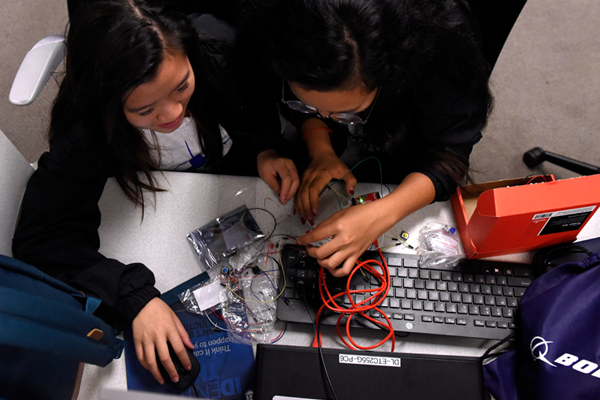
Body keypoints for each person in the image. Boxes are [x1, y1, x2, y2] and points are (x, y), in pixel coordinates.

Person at [11, 0, 286, 386]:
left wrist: (265, 148)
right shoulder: (86, 132)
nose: (172, 113)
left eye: (182, 86)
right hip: (153, 218)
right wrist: (134, 300)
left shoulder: (221, 52)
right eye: (145, 109)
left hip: (234, 184)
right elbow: (43, 237)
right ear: (109, 105)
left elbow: (257, 104)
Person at [246, 0, 493, 276]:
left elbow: (449, 154)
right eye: (306, 103)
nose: (325, 116)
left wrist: (382, 215)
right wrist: (319, 146)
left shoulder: (442, 56)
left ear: (392, 72)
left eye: (347, 112)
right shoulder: (276, 30)